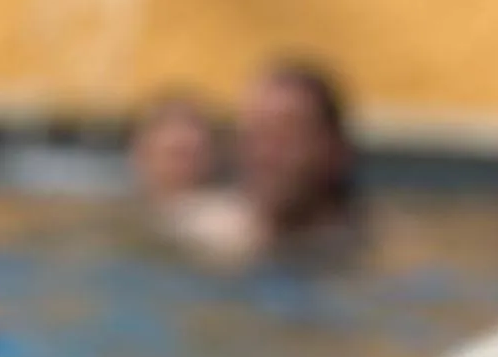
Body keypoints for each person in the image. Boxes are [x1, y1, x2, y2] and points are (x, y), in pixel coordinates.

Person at [235, 59, 363, 259]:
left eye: (285, 137)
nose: (265, 155)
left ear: (335, 151)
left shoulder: (381, 254)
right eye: (256, 135)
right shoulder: (214, 240)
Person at [129, 93, 258, 262]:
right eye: (171, 155)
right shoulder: (135, 209)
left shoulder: (225, 222)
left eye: (183, 155)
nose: (177, 169)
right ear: (140, 154)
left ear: (212, 157)